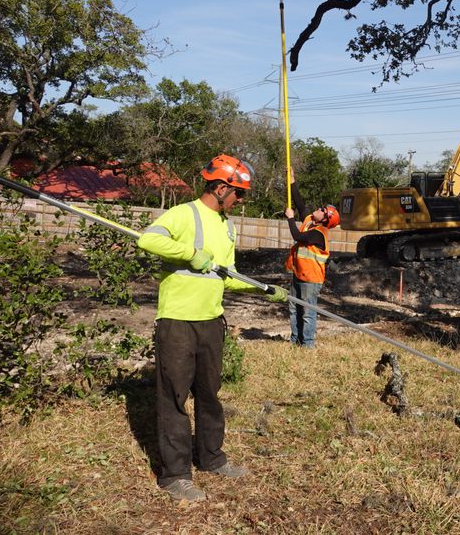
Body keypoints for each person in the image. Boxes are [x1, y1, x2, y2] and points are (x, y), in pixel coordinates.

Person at [136, 154, 287, 503]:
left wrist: (262, 289)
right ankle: (174, 475)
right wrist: (190, 253)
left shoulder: (227, 225)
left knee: (209, 393)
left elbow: (227, 278)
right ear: (220, 188)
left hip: (211, 321)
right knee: (174, 396)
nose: (241, 201)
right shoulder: (185, 214)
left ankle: (211, 458)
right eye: (239, 194)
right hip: (177, 321)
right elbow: (148, 240)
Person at [284, 171, 340, 348]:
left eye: (323, 211)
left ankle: (308, 344)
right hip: (299, 274)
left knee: (307, 312)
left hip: (311, 279)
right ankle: (295, 340)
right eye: (322, 208)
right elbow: (300, 203)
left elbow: (297, 235)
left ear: (325, 220)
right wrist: (292, 181)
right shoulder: (310, 220)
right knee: (294, 308)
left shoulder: (318, 234)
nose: (319, 209)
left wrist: (290, 218)